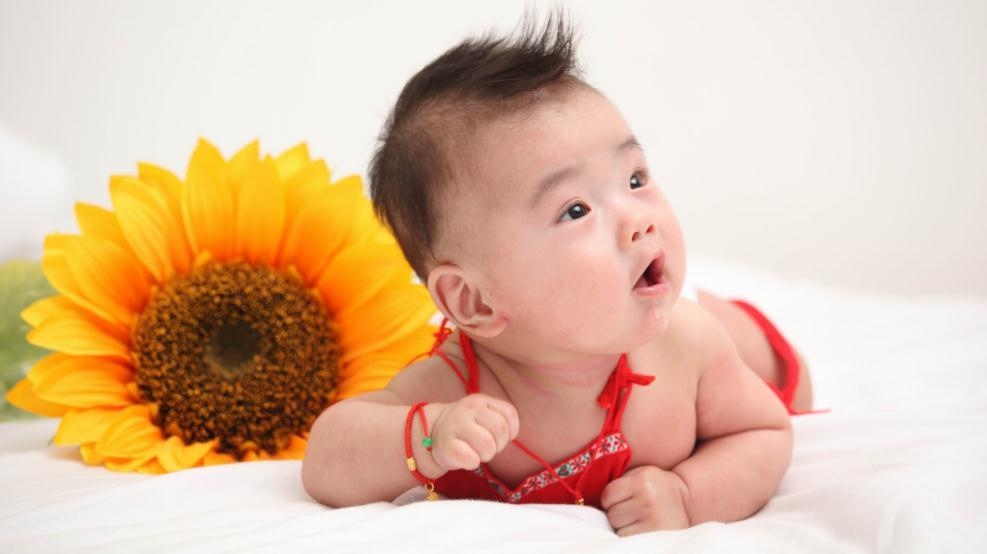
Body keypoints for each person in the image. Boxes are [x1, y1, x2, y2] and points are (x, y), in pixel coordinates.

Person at [302, 11, 815, 536]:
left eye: (635, 179)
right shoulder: (453, 391)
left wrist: (688, 495)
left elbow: (763, 431)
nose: (639, 220)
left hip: (726, 340)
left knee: (779, 373)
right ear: (474, 301)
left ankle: (742, 324)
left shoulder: (687, 347)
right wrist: (423, 437)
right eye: (576, 210)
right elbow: (326, 460)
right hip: (638, 295)